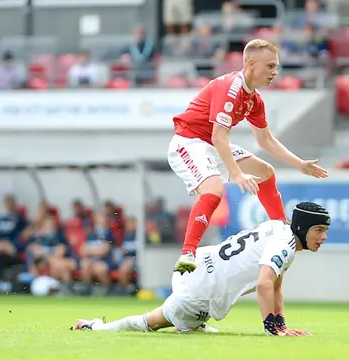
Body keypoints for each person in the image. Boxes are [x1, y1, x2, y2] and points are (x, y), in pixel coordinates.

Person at [167, 38, 328, 274]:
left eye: (276, 66)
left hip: (211, 143)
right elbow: (219, 136)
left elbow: (265, 140)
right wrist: (236, 173)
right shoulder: (231, 89)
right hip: (188, 142)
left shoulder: (253, 98)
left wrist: (299, 164)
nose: (275, 72)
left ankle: (280, 230)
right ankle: (188, 253)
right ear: (251, 63)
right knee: (214, 190)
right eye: (270, 66)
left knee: (265, 172)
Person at [71, 201, 330, 336]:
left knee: (173, 321)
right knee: (150, 322)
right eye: (319, 230)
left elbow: (275, 286)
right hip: (199, 292)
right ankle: (94, 327)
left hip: (200, 267)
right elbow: (264, 284)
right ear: (302, 228)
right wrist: (273, 329)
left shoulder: (279, 229)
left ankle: (190, 325)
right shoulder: (284, 244)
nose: (323, 237)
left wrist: (282, 323)